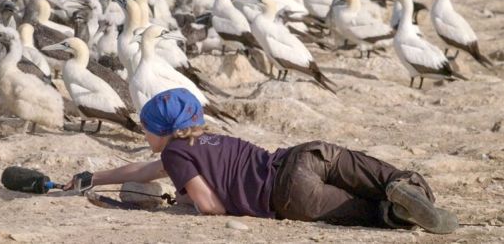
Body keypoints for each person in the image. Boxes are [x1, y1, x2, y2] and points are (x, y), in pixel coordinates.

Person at [64, 88, 458, 234]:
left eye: (146, 128)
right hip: (302, 156)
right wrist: (93, 177)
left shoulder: (174, 153)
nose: (143, 135)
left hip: (286, 195)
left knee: (363, 212)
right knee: (369, 172)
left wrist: (185, 201)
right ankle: (408, 189)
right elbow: (143, 170)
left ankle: (395, 214)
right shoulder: (203, 139)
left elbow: (210, 206)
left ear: (164, 131)